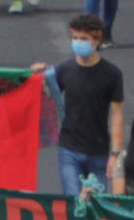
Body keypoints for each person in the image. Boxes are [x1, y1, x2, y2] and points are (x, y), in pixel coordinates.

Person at [47, 14, 127, 196]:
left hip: (98, 152)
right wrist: (39, 76)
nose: (78, 42)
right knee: (74, 203)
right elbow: (46, 97)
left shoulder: (112, 74)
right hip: (69, 149)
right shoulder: (64, 70)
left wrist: (115, 155)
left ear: (97, 40)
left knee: (95, 203)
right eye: (75, 38)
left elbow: (116, 114)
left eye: (84, 39)